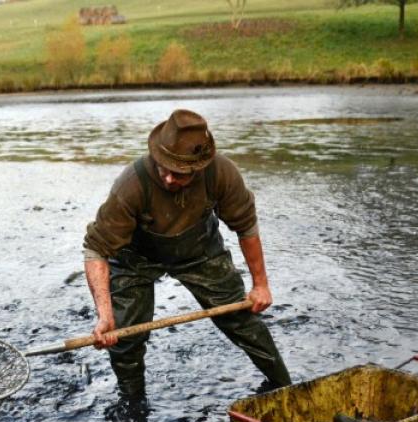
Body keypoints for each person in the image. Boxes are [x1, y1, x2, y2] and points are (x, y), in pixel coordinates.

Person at [83, 109, 291, 400]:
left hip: (199, 250)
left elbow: (246, 226)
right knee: (126, 338)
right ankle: (132, 406)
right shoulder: (131, 184)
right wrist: (105, 316)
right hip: (136, 258)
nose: (168, 178)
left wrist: (260, 284)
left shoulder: (221, 173)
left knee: (242, 320)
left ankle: (286, 387)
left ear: (199, 167)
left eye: (179, 173)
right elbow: (96, 249)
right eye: (163, 167)